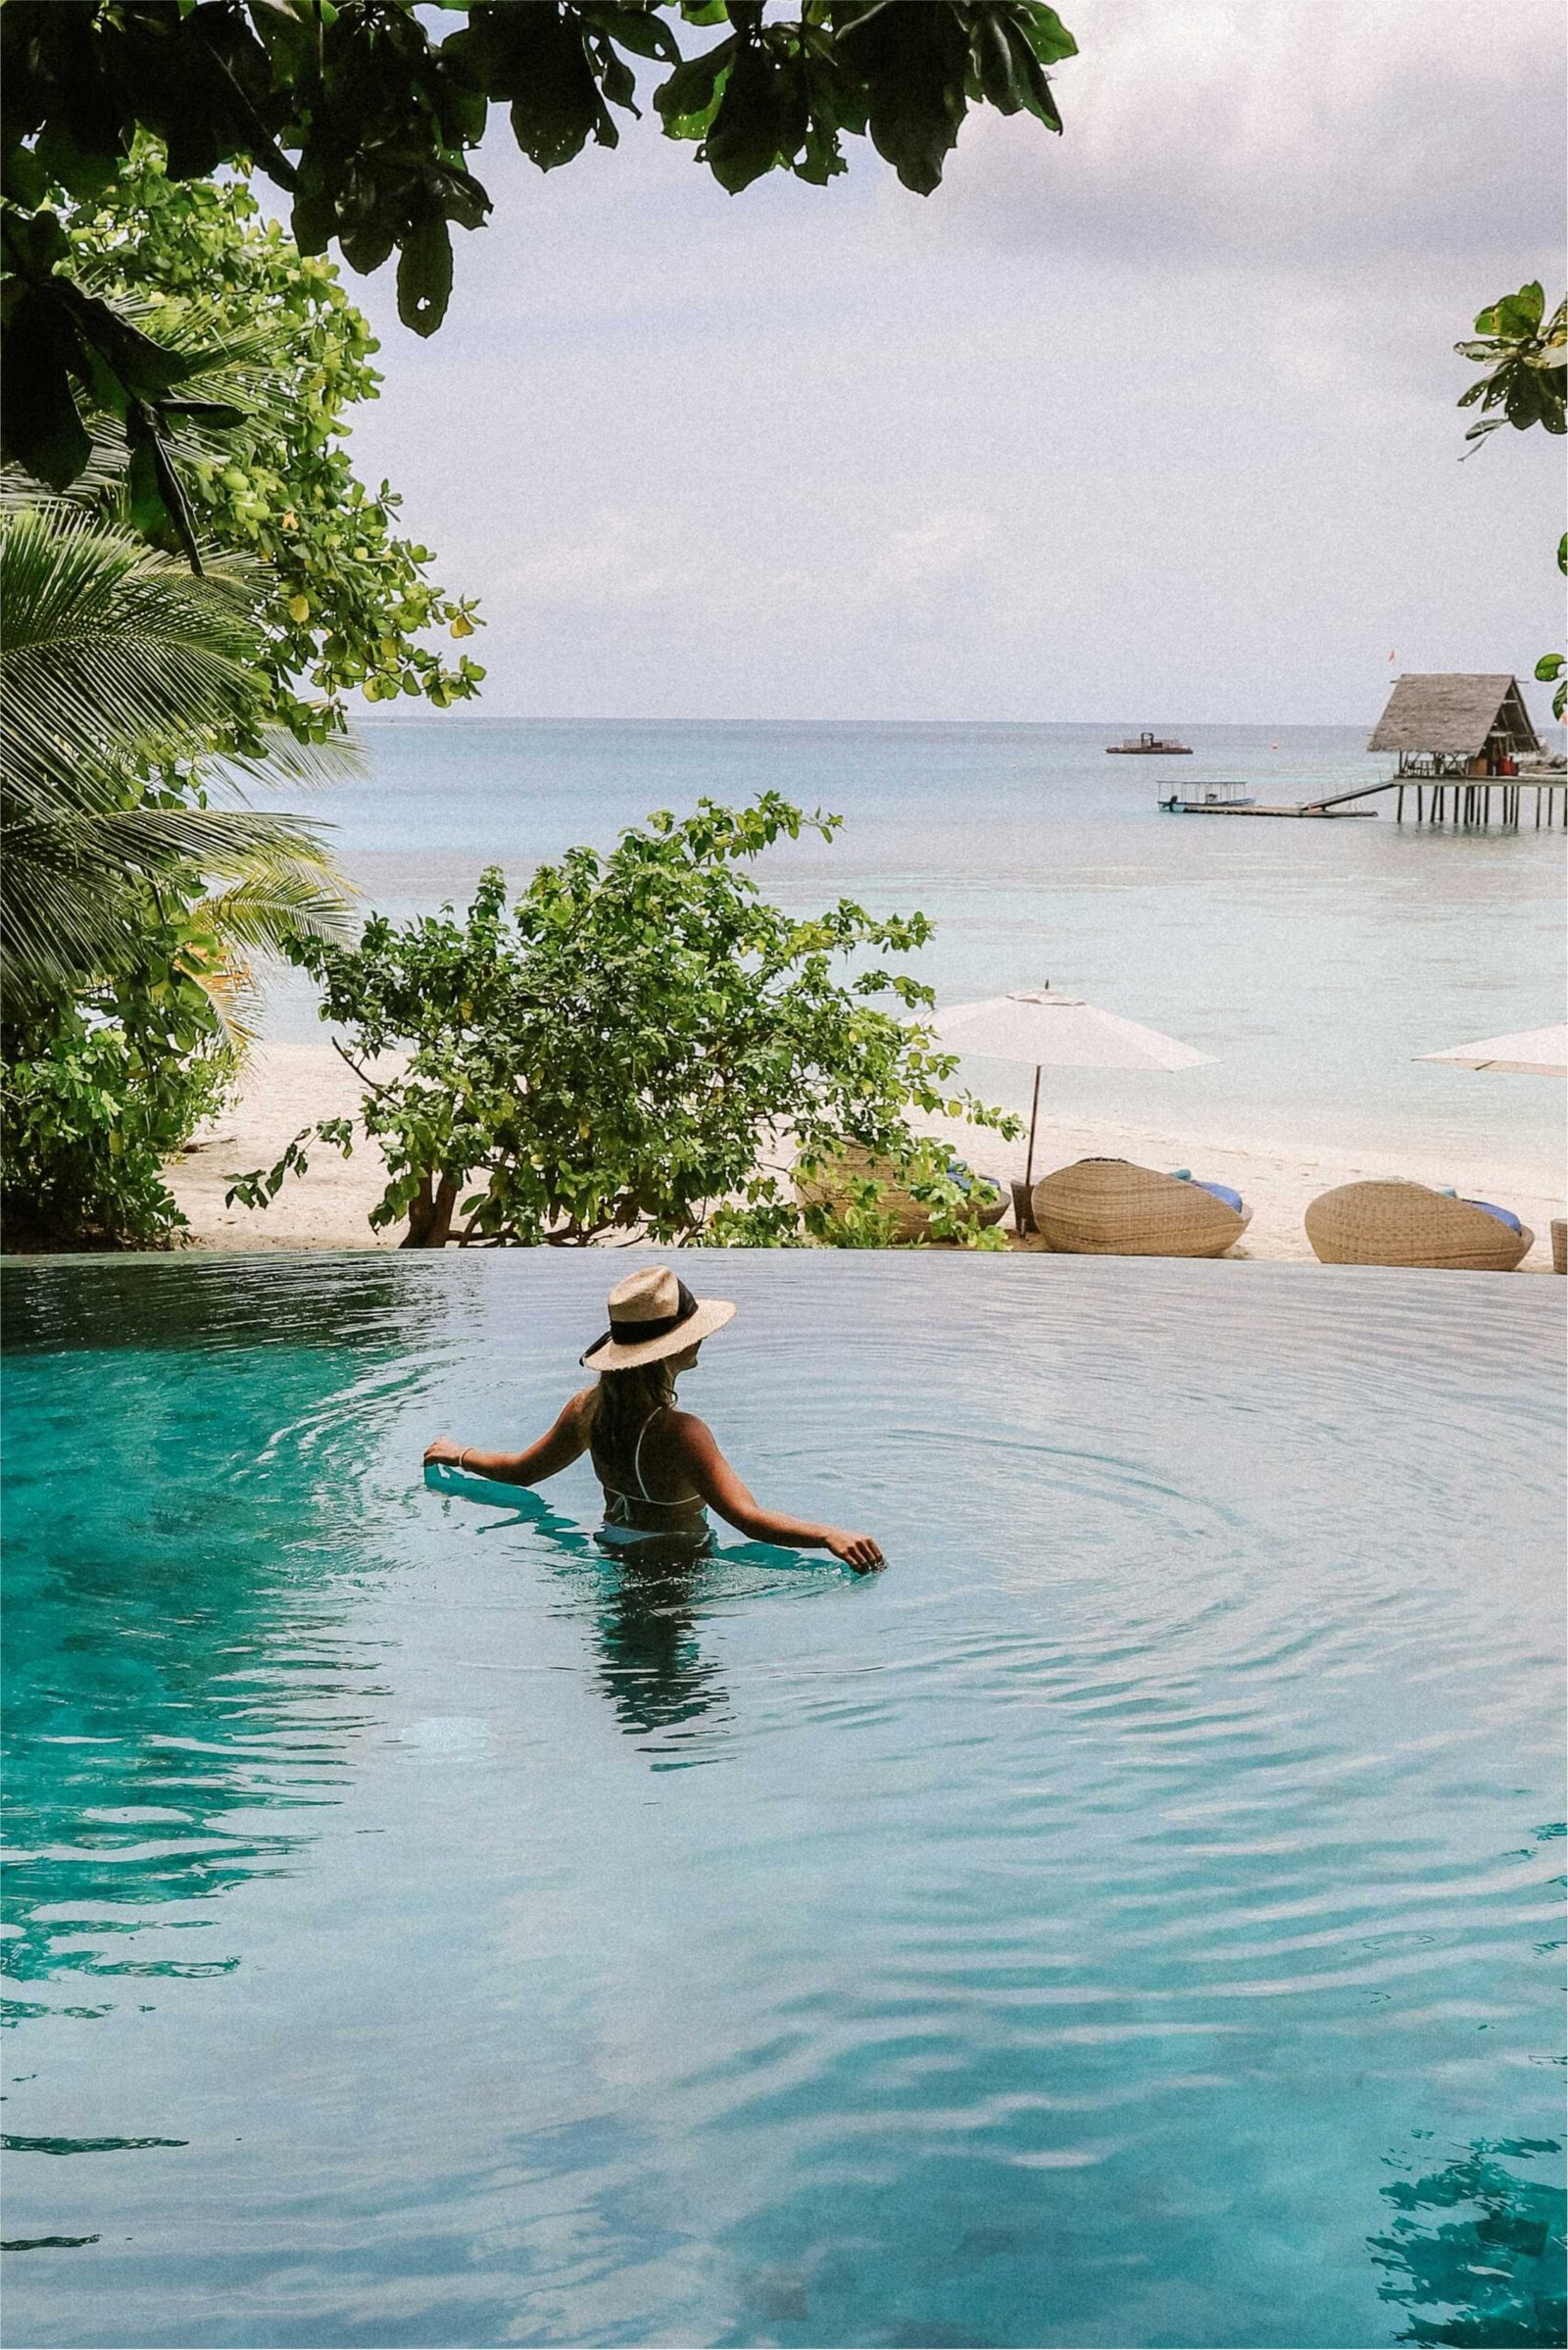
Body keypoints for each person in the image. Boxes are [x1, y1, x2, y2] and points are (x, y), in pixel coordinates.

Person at [423, 1266, 886, 1573]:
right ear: (674, 1347)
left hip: (611, 1554)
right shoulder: (683, 1432)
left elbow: (521, 1471)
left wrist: (459, 1454)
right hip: (677, 1568)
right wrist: (829, 1534)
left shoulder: (587, 1409)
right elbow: (747, 1519)